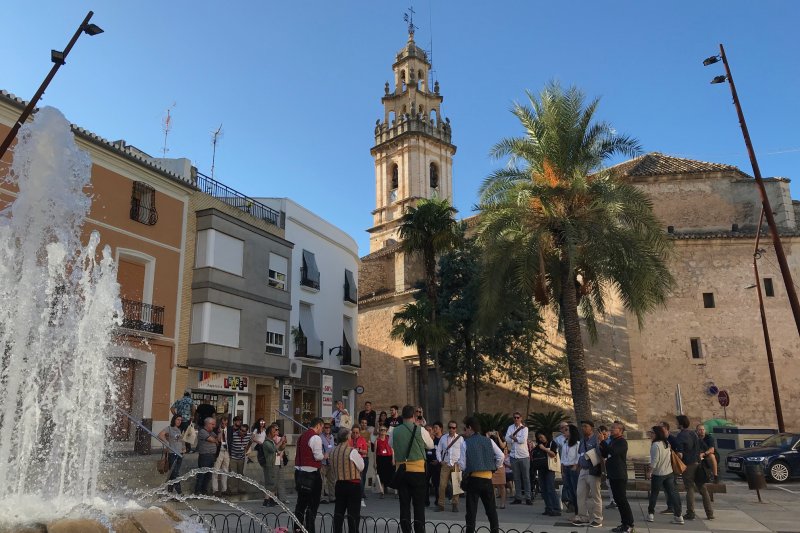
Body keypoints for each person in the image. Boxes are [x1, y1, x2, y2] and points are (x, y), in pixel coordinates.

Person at [390, 404, 435, 533]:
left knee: (404, 505)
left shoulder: (394, 431)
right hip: (418, 472)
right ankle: (419, 530)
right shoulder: (420, 430)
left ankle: (406, 530)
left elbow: (391, 444)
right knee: (419, 505)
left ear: (402, 416)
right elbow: (431, 445)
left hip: (402, 472)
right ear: (414, 416)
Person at [458, 416, 504, 533]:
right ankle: (495, 531)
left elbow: (462, 464)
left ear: (470, 428)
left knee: (471, 511)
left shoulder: (466, 443)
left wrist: (468, 467)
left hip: (474, 480)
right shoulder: (489, 441)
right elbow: (501, 456)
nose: (464, 432)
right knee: (491, 510)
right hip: (488, 479)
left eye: (465, 429)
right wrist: (494, 467)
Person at [676, 415, 714, 521]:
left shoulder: (681, 436)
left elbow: (680, 454)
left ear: (681, 424)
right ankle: (709, 513)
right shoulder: (694, 434)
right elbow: (704, 446)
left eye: (677, 422)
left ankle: (690, 512)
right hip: (698, 463)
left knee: (690, 488)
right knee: (703, 488)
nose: (676, 424)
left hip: (688, 465)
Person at [599, 422, 633, 533]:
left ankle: (629, 524)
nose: (611, 429)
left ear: (620, 430)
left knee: (622, 500)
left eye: (614, 428)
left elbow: (613, 452)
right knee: (618, 501)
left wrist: (603, 441)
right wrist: (601, 443)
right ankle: (624, 524)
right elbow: (605, 454)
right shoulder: (613, 441)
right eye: (611, 427)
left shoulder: (622, 442)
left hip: (619, 475)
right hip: (612, 474)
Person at [294, 418, 326, 533]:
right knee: (313, 504)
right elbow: (318, 456)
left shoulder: (302, 436)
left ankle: (297, 528)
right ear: (318, 425)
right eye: (322, 427)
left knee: (301, 503)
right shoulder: (315, 437)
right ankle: (309, 529)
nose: (322, 430)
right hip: (311, 474)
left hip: (299, 472)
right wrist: (325, 456)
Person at [646, 425, 683, 525]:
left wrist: (649, 472)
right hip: (668, 472)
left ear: (657, 434)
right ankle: (678, 515)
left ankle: (650, 514)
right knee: (673, 493)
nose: (650, 434)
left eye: (652, 432)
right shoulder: (666, 443)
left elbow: (654, 461)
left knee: (654, 493)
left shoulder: (655, 445)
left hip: (658, 473)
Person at [331, 427, 365, 533]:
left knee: (339, 512)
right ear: (347, 438)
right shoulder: (352, 451)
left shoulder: (333, 451)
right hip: (353, 485)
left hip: (339, 484)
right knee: (353, 514)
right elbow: (361, 466)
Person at [572, 421, 603, 528]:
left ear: (592, 428)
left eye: (586, 426)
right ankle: (583, 517)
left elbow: (600, 454)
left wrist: (600, 442)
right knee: (580, 494)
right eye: (582, 426)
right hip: (583, 470)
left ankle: (598, 518)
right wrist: (578, 467)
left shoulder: (596, 439)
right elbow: (581, 455)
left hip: (593, 470)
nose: (583, 428)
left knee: (596, 496)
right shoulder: (582, 441)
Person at [504, 411, 531, 505]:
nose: (516, 419)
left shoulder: (525, 429)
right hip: (513, 456)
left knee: (526, 477)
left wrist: (513, 438)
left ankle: (528, 497)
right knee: (516, 478)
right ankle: (518, 497)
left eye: (518, 417)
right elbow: (507, 439)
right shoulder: (510, 427)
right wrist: (514, 438)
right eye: (515, 417)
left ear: (521, 418)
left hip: (523, 456)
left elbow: (522, 440)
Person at [531, 430, 560, 516]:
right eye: (539, 437)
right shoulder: (539, 445)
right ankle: (548, 507)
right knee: (543, 489)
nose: (541, 439)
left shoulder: (552, 443)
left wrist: (544, 449)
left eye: (542, 436)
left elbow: (553, 454)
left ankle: (556, 508)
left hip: (549, 469)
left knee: (550, 488)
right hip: (541, 469)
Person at [436, 420, 462, 512]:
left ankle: (455, 504)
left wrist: (460, 462)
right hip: (446, 464)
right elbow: (438, 450)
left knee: (456, 486)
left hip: (456, 464)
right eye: (450, 427)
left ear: (456, 429)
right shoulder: (443, 438)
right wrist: (440, 461)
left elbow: (464, 452)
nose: (451, 429)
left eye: (453, 428)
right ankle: (441, 505)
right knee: (442, 485)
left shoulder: (460, 439)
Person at [157, 414, 185, 496]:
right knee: (175, 473)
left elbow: (180, 440)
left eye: (180, 420)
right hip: (173, 453)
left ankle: (169, 492)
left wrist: (184, 447)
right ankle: (179, 492)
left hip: (180, 453)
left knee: (174, 474)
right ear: (174, 420)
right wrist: (167, 443)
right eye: (178, 419)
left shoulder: (179, 430)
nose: (179, 421)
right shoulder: (169, 428)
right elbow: (160, 435)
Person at [657, 420, 679, 515]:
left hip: (671, 467)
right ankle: (670, 507)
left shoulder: (672, 439)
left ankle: (675, 508)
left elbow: (679, 452)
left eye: (660, 427)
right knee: (667, 488)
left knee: (672, 488)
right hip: (664, 468)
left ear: (666, 429)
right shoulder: (661, 440)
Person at [194, 417, 218, 495]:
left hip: (211, 456)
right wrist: (215, 440)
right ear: (207, 424)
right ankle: (197, 492)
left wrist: (221, 431)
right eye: (212, 424)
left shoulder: (211, 432)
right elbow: (213, 440)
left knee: (208, 475)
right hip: (205, 456)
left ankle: (204, 490)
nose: (214, 426)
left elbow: (218, 439)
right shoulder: (202, 431)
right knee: (201, 474)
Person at [560, 424, 580, 514]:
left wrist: (575, 466)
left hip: (573, 468)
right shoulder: (565, 443)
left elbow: (579, 456)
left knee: (575, 490)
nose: (564, 432)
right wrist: (562, 470)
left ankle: (579, 511)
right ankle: (574, 510)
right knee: (570, 490)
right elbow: (563, 458)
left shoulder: (577, 444)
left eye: (567, 430)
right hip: (566, 468)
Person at [228, 416, 249, 495]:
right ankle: (233, 489)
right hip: (233, 457)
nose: (241, 431)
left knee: (241, 474)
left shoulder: (248, 436)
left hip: (241, 457)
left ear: (246, 432)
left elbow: (251, 440)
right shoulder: (234, 434)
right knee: (233, 473)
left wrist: (246, 449)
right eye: (240, 429)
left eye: (243, 431)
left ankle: (241, 488)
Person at [350, 423, 370, 507]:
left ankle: (361, 498)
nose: (355, 434)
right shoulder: (349, 439)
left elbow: (366, 451)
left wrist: (359, 450)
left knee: (360, 480)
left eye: (357, 432)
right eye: (353, 432)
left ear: (359, 433)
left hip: (361, 460)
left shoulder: (362, 439)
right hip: (351, 461)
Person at [212, 415, 231, 496]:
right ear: (220, 422)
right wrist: (220, 432)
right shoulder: (216, 430)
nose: (224, 425)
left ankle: (224, 489)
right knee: (216, 470)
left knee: (225, 471)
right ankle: (215, 490)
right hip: (219, 451)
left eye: (226, 423)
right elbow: (218, 440)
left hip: (227, 451)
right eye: (223, 423)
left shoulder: (229, 430)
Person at [488, 433, 508, 509]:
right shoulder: (489, 440)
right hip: (492, 466)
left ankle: (502, 504)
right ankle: (494, 503)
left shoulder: (501, 440)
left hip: (500, 465)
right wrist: (488, 436)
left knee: (502, 485)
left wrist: (498, 436)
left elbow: (503, 446)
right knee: (492, 486)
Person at [375, 425, 394, 498]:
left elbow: (392, 450)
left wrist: (393, 459)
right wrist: (375, 462)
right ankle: (382, 492)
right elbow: (375, 453)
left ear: (386, 431)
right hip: (380, 459)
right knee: (381, 475)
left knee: (391, 475)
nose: (382, 431)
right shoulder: (377, 440)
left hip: (389, 458)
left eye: (384, 430)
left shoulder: (389, 439)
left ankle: (395, 491)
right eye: (381, 430)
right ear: (379, 431)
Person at [426, 422, 443, 508]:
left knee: (437, 484)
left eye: (430, 430)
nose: (429, 431)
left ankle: (437, 501)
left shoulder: (440, 440)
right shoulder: (428, 440)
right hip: (428, 464)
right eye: (427, 430)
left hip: (437, 464)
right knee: (425, 482)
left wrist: (438, 461)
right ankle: (426, 501)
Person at [320, 421, 336, 504]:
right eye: (326, 427)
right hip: (323, 461)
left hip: (331, 461)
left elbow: (332, 447)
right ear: (323, 429)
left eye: (329, 427)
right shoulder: (320, 437)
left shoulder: (332, 437)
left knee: (332, 480)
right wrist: (323, 455)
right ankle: (321, 497)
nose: (327, 429)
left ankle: (332, 497)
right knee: (322, 481)